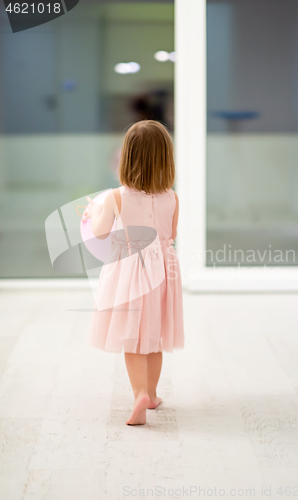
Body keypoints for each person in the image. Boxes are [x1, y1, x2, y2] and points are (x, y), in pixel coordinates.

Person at [82, 120, 185, 426]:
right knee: (153, 337)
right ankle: (152, 394)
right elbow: (172, 234)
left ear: (126, 158)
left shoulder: (117, 197)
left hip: (130, 273)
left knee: (132, 338)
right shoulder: (172, 197)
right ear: (166, 158)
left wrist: (93, 212)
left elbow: (100, 233)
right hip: (164, 272)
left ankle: (139, 393)